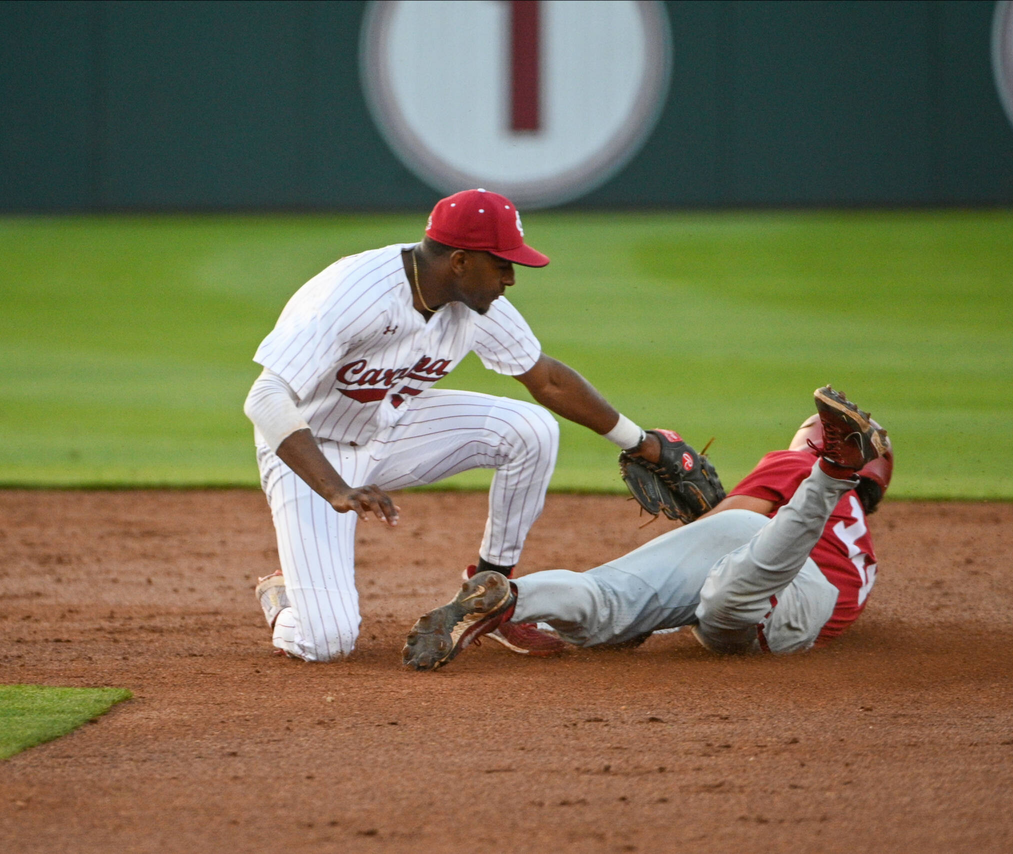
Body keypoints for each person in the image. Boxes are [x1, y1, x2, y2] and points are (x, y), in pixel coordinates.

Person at [243, 188, 673, 662]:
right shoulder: (353, 295)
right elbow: (265, 398)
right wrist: (334, 487)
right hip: (313, 453)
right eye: (503, 265)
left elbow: (547, 379)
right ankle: (285, 600)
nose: (511, 278)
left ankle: (491, 598)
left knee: (532, 428)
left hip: (393, 428)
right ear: (461, 261)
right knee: (325, 643)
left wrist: (641, 443)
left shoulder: (471, 302)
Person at [402, 386, 892, 669]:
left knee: (615, 595)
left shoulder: (791, 463)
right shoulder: (862, 554)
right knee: (720, 596)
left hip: (777, 580)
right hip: (783, 606)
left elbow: (728, 523)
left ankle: (517, 597)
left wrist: (695, 529)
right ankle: (510, 599)